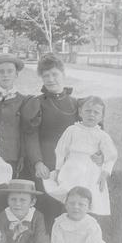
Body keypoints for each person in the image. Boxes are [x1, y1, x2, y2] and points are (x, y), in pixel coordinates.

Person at [22, 53, 103, 231]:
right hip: (47, 164)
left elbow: (93, 132)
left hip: (73, 164)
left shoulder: (77, 104)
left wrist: (99, 154)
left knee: (73, 205)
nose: (51, 80)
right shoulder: (37, 104)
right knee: (49, 208)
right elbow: (31, 136)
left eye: (54, 74)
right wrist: (38, 162)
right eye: (46, 76)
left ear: (63, 74)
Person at [43, 96, 118, 215]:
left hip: (91, 171)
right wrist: (58, 169)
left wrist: (104, 172)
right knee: (70, 195)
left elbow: (111, 156)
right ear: (80, 112)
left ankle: (87, 222)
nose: (91, 115)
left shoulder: (102, 136)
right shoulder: (72, 130)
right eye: (88, 111)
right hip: (72, 168)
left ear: (101, 117)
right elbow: (61, 150)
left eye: (96, 112)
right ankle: (66, 217)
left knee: (88, 198)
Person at [50, 186, 120, 243]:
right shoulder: (59, 222)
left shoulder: (91, 224)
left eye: (81, 204)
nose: (76, 207)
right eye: (72, 203)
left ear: (89, 207)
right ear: (66, 204)